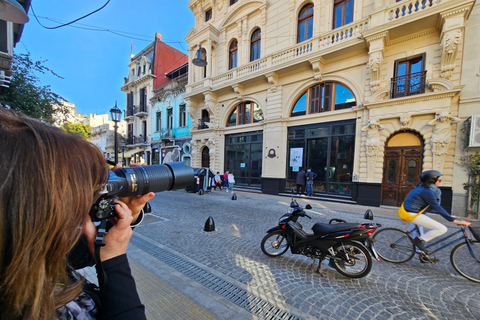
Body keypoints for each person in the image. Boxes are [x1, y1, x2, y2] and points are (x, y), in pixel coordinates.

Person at [0, 108, 154, 320]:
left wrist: (115, 225)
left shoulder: (22, 255)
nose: (87, 200)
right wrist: (114, 261)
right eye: (75, 190)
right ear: (32, 205)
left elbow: (72, 256)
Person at [402, 170, 470, 253]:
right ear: (432, 181)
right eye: (439, 180)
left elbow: (433, 207)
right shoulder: (427, 191)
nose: (440, 182)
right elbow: (437, 207)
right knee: (442, 229)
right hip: (413, 214)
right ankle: (418, 242)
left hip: (412, 212)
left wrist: (448, 215)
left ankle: (422, 254)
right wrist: (454, 220)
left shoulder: (422, 188)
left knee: (419, 233)